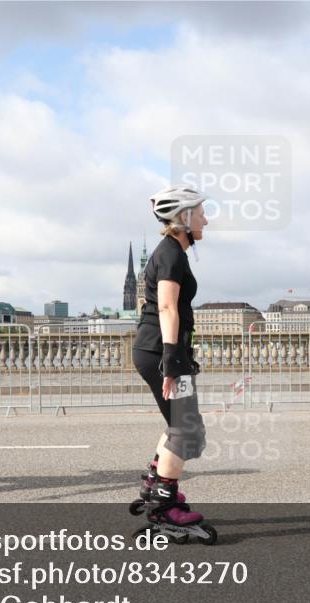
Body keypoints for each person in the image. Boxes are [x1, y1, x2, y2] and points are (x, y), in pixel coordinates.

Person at [129, 185, 216, 544]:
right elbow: (166, 307)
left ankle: (157, 483)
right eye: (200, 213)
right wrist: (171, 362)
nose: (206, 220)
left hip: (164, 351)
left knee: (184, 428)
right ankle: (163, 506)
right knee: (187, 431)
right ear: (183, 217)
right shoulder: (171, 255)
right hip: (161, 352)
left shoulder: (173, 252)